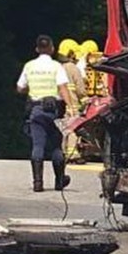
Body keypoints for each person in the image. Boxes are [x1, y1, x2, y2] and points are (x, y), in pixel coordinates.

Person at [16, 35, 78, 192]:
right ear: (51, 48)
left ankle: (38, 182)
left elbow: (20, 87)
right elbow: (63, 88)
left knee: (38, 145)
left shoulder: (29, 66)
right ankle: (59, 181)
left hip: (36, 110)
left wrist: (29, 89)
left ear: (37, 49)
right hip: (54, 111)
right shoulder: (56, 66)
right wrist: (71, 107)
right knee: (56, 146)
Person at [56, 38, 87, 163]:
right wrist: (85, 99)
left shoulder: (57, 67)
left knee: (63, 128)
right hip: (72, 103)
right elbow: (80, 89)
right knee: (74, 127)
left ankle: (62, 153)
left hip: (58, 103)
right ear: (71, 53)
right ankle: (73, 154)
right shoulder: (73, 68)